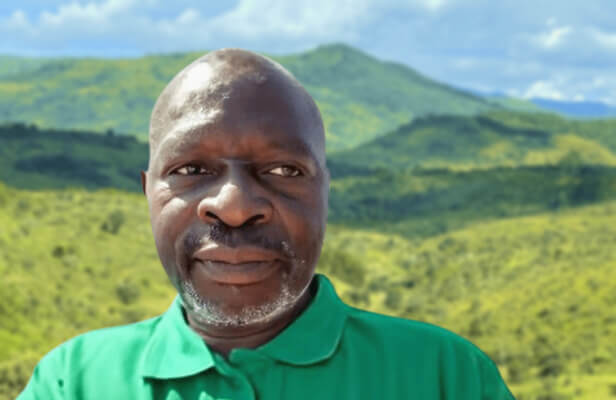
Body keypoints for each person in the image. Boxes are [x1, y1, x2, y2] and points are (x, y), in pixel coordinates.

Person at [18, 49, 516, 399]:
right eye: (190, 170)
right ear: (148, 191)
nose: (233, 205)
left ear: (325, 190)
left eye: (283, 171)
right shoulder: (74, 382)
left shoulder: (443, 377)